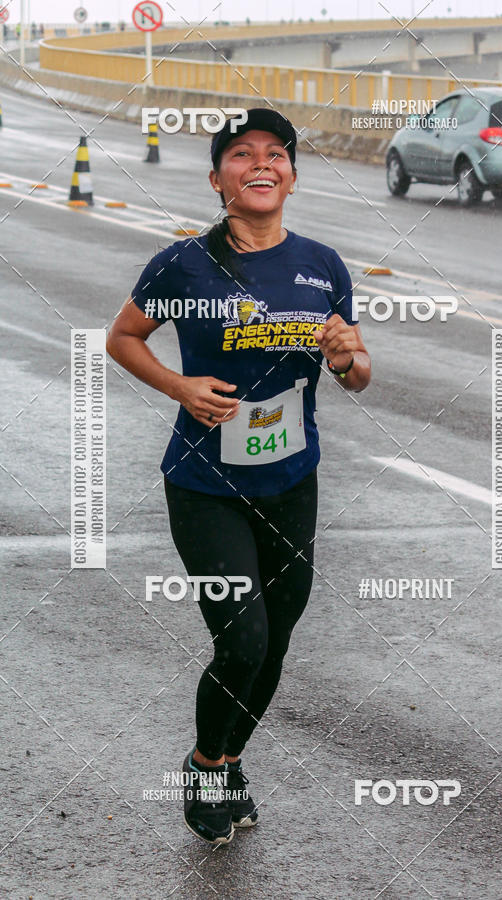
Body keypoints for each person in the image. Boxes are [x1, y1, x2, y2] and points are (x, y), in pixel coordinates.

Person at [106, 107, 371, 845]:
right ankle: (203, 767)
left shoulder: (322, 266)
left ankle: (229, 760)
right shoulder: (183, 263)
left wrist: (349, 357)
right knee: (244, 641)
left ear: (290, 174)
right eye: (242, 154)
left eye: (276, 154)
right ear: (219, 178)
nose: (262, 163)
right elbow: (122, 337)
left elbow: (357, 374)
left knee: (278, 640)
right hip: (204, 484)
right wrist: (178, 387)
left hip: (292, 482)